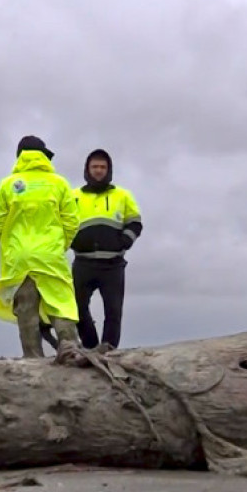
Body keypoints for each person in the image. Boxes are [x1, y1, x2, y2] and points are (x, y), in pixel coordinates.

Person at [0, 135, 82, 360]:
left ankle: (32, 357)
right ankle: (68, 346)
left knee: (26, 310)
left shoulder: (7, 185)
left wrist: (12, 246)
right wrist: (60, 245)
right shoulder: (59, 183)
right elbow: (72, 221)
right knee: (61, 302)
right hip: (50, 254)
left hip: (19, 257)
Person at [70, 148, 143, 351]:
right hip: (83, 263)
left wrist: (124, 242)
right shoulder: (73, 196)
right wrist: (72, 241)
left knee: (113, 311)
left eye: (103, 167)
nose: (99, 170)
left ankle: (109, 350)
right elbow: (61, 224)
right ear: (87, 169)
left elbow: (135, 223)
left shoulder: (122, 195)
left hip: (113, 264)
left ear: (109, 170)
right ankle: (92, 346)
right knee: (76, 308)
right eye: (95, 166)